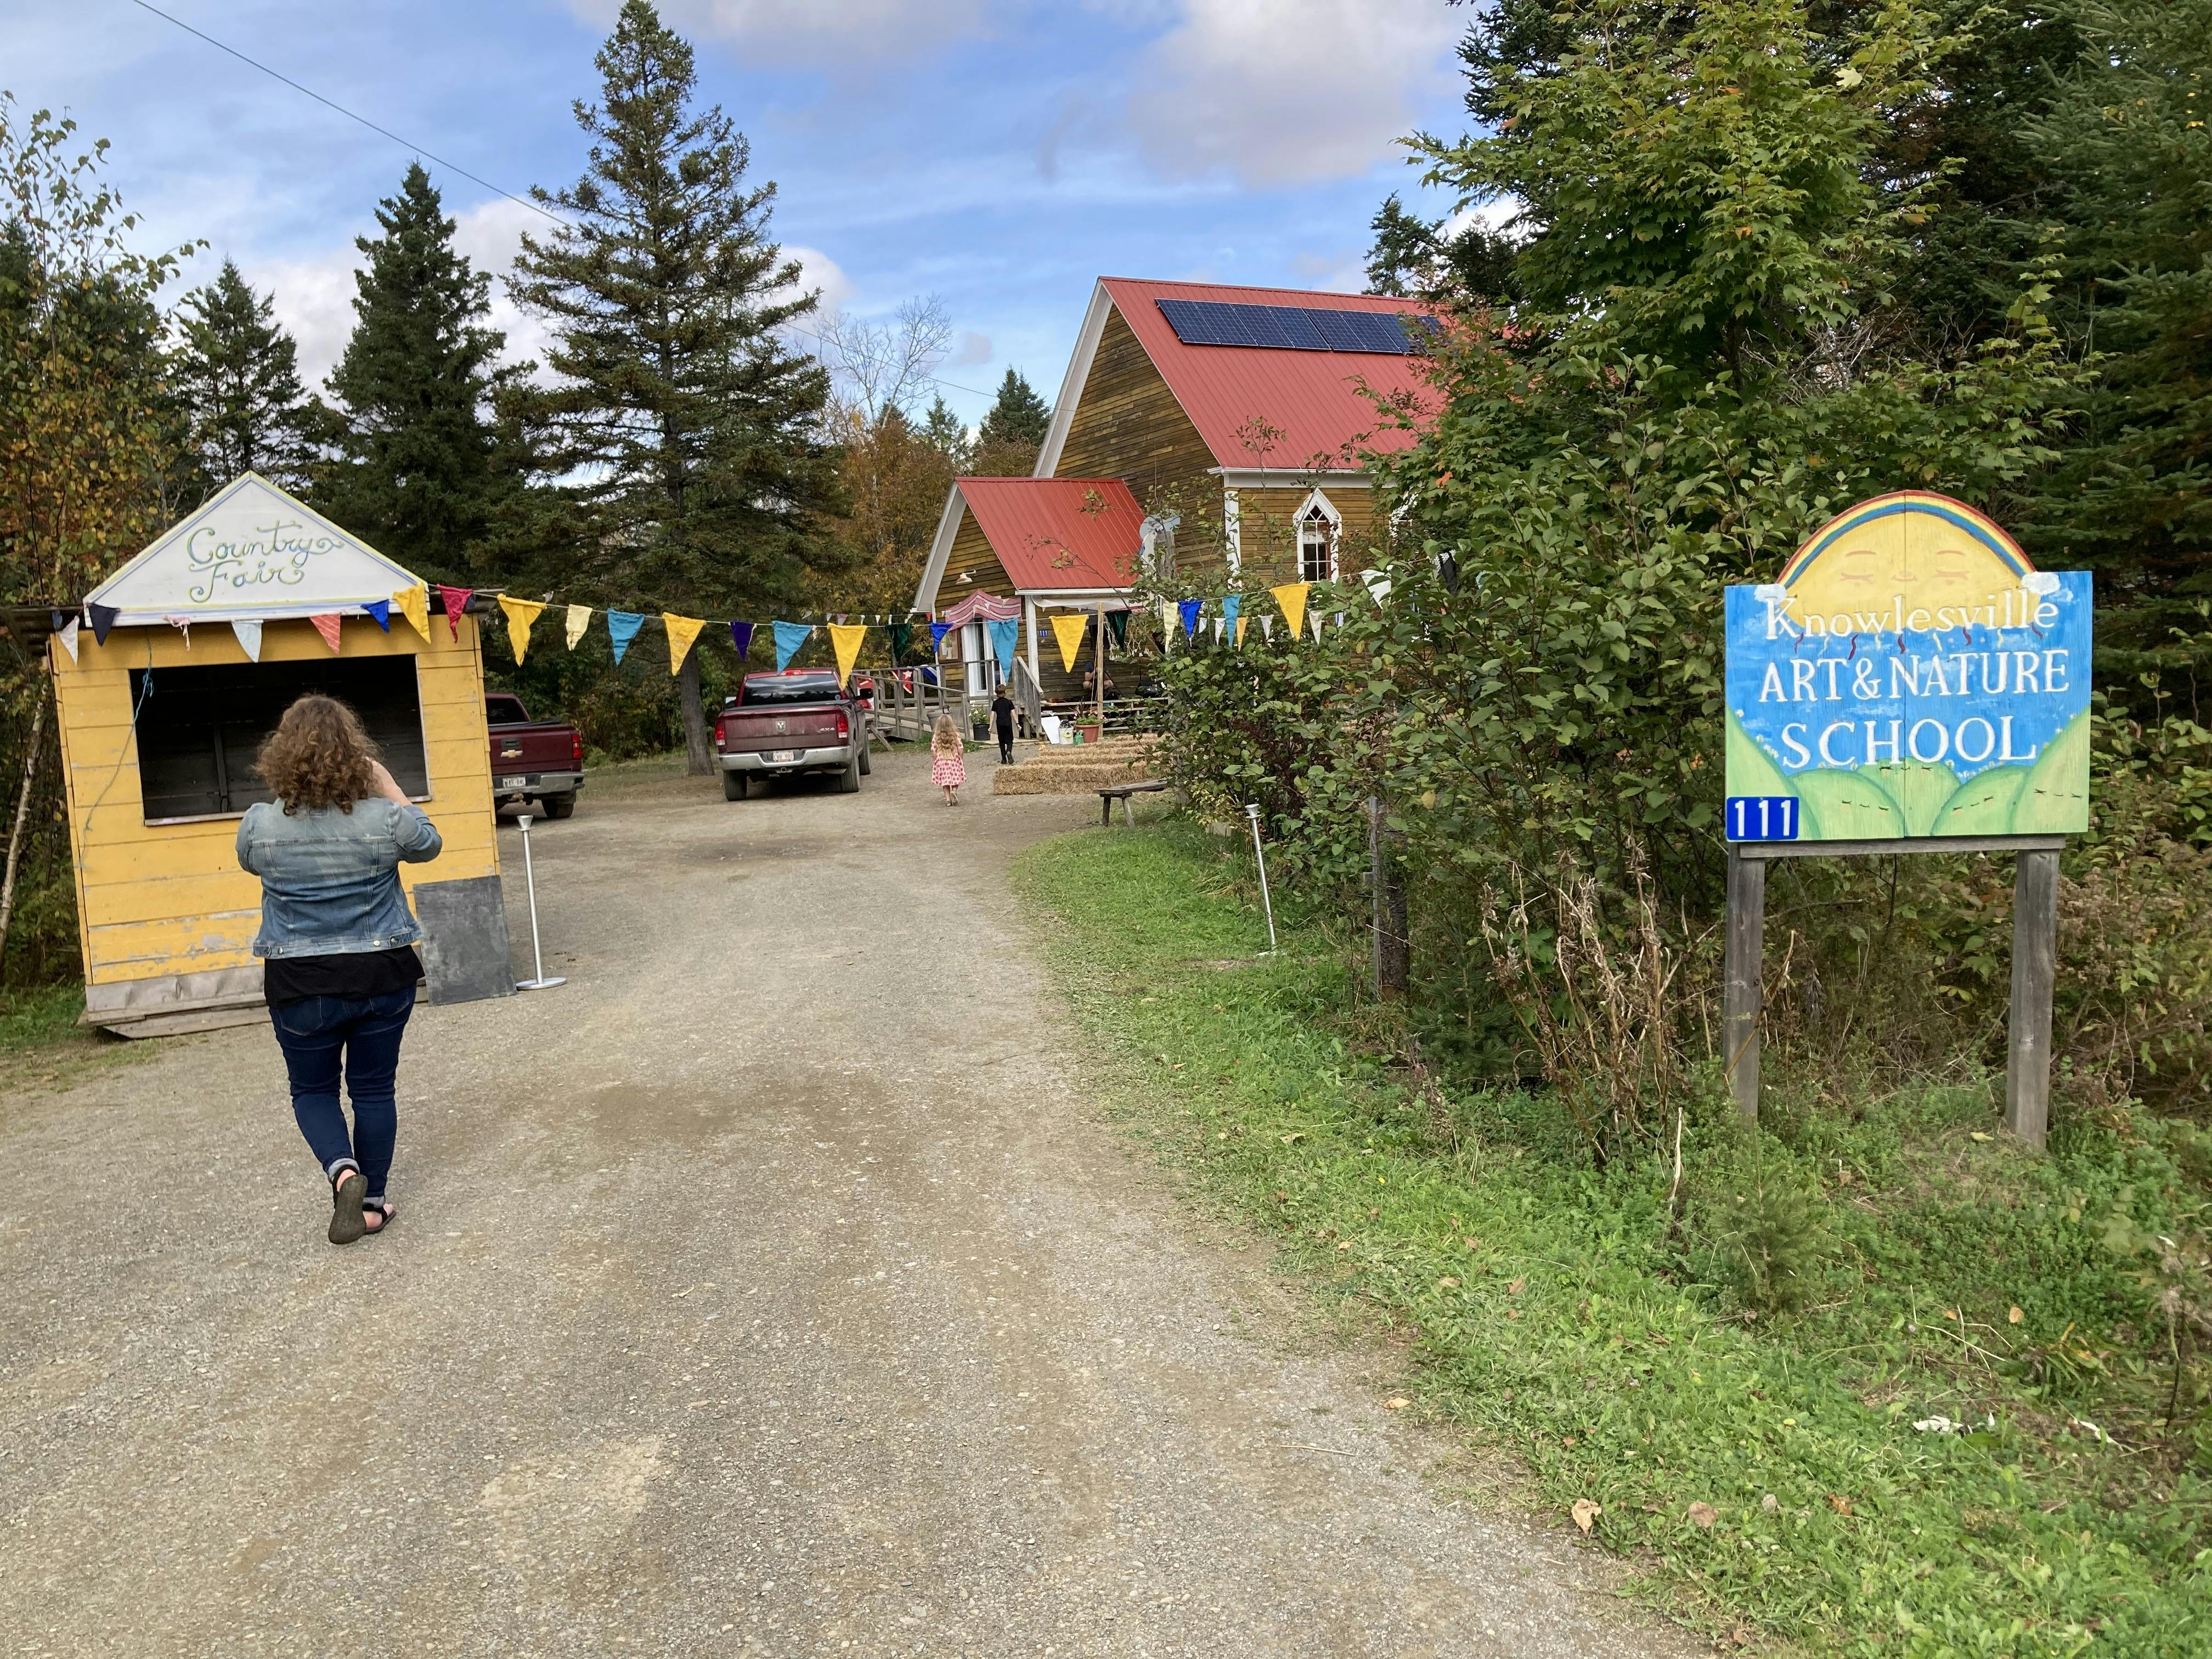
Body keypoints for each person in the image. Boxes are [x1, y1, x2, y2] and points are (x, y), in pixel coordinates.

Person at [236, 696, 443, 1245]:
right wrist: (387, 788)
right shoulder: (386, 820)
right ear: (356, 754)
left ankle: (342, 1171)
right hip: (381, 973)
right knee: (374, 1089)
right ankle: (371, 1205)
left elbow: (249, 860)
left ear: (279, 756)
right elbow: (430, 844)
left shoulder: (259, 826)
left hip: (299, 982)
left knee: (313, 1092)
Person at [929, 711, 967, 806]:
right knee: (956, 779)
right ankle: (954, 791)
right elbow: (961, 748)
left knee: (945, 783)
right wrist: (960, 759)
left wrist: (936, 761)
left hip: (942, 761)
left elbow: (934, 750)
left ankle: (948, 801)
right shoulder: (955, 735)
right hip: (954, 760)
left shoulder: (936, 737)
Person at [991, 682, 1017, 764]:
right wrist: (1018, 724)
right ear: (1005, 692)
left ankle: (1004, 760)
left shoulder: (995, 703)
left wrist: (990, 727)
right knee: (1010, 741)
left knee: (1001, 742)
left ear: (997, 694)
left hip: (1000, 724)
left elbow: (992, 716)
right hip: (1008, 724)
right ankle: (1009, 751)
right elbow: (1014, 714)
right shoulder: (1009, 702)